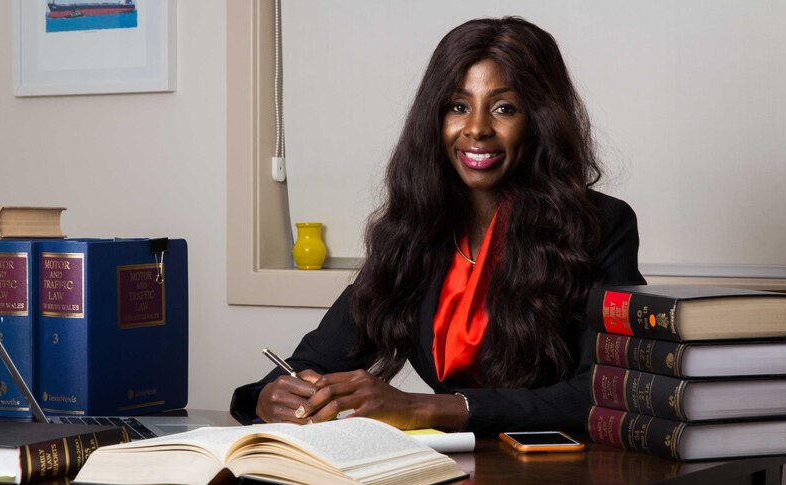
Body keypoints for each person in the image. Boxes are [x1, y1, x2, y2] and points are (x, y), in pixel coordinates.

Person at [231, 16, 645, 435]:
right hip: (443, 466)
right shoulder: (414, 232)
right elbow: (315, 361)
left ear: (540, 119)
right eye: (457, 106)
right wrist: (270, 397)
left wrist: (427, 408)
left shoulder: (600, 226)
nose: (477, 128)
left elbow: (602, 391)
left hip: (555, 469)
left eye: (504, 108)